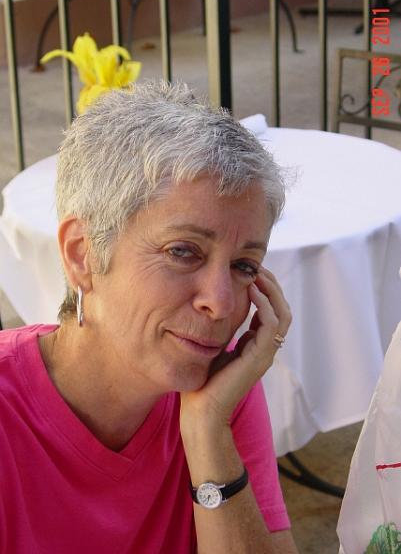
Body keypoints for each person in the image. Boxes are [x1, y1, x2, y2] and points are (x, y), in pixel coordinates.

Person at [0, 80, 297, 553]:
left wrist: (207, 431)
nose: (221, 304)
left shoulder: (221, 387)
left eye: (244, 266)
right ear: (82, 254)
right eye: (183, 252)